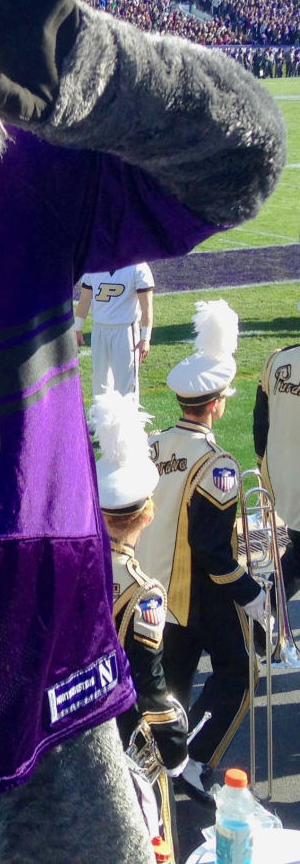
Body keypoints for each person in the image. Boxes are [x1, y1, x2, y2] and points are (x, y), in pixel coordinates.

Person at [137, 301, 267, 806]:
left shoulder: (152, 444)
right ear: (216, 404)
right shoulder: (219, 464)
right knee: (237, 673)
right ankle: (192, 761)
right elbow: (213, 550)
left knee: (171, 688)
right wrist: (252, 592)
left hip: (154, 589)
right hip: (197, 593)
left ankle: (155, 770)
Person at [93, 391, 190, 855]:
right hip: (120, 744)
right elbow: (151, 692)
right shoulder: (143, 593)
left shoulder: (70, 566)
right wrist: (175, 748)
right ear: (146, 514)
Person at [253, 302, 300, 600]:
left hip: (281, 475)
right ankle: (264, 612)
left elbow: (260, 420)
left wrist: (263, 464)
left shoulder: (276, 360)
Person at [76, 262, 154, 404]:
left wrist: (145, 338)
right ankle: (99, 422)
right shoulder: (94, 265)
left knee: (125, 383)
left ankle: (128, 422)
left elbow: (146, 307)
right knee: (100, 380)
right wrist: (78, 328)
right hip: (99, 329)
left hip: (125, 330)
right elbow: (84, 300)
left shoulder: (138, 267)